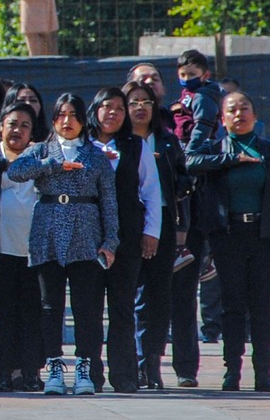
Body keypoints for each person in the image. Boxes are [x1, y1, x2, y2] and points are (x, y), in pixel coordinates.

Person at [5, 93, 117, 396]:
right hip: (48, 231)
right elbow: (15, 171)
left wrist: (110, 241)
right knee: (49, 306)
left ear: (84, 120)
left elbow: (109, 200)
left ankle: (85, 366)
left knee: (87, 307)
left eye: (74, 115)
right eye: (61, 115)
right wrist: (54, 165)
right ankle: (54, 366)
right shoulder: (41, 150)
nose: (67, 122)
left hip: (86, 233)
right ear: (53, 119)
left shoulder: (95, 155)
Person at [187, 91, 270, 391]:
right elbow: (190, 162)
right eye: (232, 110)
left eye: (244, 108)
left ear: (255, 115)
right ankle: (231, 370)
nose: (239, 114)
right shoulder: (215, 150)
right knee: (232, 305)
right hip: (228, 236)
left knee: (262, 305)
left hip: (264, 236)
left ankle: (263, 371)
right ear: (222, 119)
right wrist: (230, 159)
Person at [87, 87, 162, 394]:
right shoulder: (82, 145)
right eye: (107, 107)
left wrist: (151, 232)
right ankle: (89, 373)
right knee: (89, 307)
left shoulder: (137, 146)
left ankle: (125, 375)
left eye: (119, 108)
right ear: (95, 111)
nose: (113, 113)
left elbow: (151, 191)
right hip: (88, 237)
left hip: (127, 237)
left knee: (122, 307)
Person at [124, 81, 185, 390]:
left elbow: (183, 184)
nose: (140, 107)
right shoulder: (115, 142)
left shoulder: (167, 141)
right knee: (129, 298)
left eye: (146, 102)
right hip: (124, 225)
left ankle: (152, 362)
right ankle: (131, 362)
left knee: (158, 298)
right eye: (133, 101)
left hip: (161, 223)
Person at [0, 106, 41, 391]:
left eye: (25, 125)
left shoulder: (40, 157)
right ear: (0, 127)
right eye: (12, 124)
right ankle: (3, 370)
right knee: (2, 310)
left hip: (33, 250)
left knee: (32, 311)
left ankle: (30, 370)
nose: (17, 130)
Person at [173, 49, 225, 345]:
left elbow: (203, 126)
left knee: (187, 198)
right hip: (183, 150)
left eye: (193, 75)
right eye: (183, 75)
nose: (187, 80)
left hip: (194, 154)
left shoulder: (204, 97)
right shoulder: (183, 97)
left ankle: (201, 255)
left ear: (205, 75)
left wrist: (190, 151)